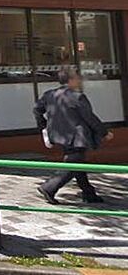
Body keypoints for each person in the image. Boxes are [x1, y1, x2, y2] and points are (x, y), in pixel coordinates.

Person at [34, 67, 114, 204]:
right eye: (77, 78)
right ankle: (49, 188)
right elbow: (90, 118)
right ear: (70, 80)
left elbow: (37, 110)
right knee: (73, 165)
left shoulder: (49, 95)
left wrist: (44, 125)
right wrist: (104, 132)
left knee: (78, 163)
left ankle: (88, 193)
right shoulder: (77, 96)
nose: (79, 80)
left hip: (60, 136)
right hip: (77, 137)